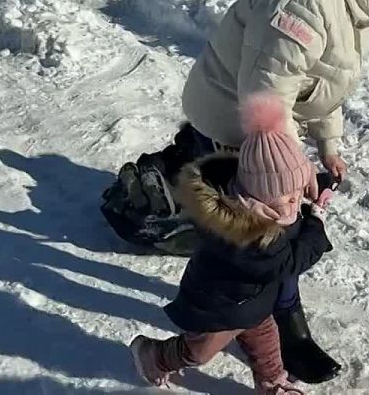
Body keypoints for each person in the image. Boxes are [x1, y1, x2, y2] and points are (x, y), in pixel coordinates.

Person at [102, 0, 369, 383]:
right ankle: (246, 328)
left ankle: (264, 333)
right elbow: (268, 94)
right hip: (232, 125)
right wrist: (293, 171)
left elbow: (321, 84)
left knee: (261, 247)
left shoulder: (354, 8)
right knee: (263, 244)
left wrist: (327, 144)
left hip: (261, 132)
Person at [129, 92, 334, 393]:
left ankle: (272, 383)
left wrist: (313, 192)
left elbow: (287, 208)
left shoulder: (261, 204)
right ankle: (153, 356)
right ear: (258, 194)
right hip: (220, 306)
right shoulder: (248, 234)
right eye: (288, 196)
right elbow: (290, 261)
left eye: (298, 191)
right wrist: (316, 221)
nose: (296, 202)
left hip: (251, 301)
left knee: (266, 343)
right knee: (198, 352)